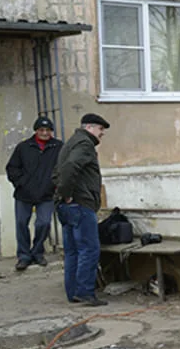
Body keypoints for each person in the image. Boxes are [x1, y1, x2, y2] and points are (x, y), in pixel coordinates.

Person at [53, 113, 111, 307]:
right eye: (100, 129)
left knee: (72, 251)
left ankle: (73, 292)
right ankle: (85, 292)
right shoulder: (85, 144)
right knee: (89, 249)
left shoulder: (70, 143)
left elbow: (58, 171)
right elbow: (70, 167)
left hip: (66, 206)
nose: (102, 134)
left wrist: (61, 195)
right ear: (90, 128)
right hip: (80, 204)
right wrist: (67, 193)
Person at [7, 116, 62, 271]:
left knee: (43, 223)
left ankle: (37, 253)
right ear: (36, 131)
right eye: (41, 130)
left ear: (51, 131)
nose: (44, 133)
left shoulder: (58, 147)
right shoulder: (23, 147)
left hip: (46, 194)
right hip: (24, 194)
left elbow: (63, 168)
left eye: (48, 130)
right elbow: (12, 168)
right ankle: (24, 256)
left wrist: (55, 186)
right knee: (21, 224)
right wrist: (21, 183)